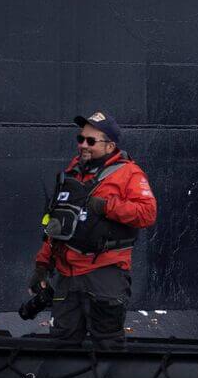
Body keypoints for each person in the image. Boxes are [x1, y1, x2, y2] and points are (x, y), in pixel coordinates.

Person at [29, 112, 158, 347]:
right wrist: (42, 265)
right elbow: (57, 225)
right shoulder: (70, 175)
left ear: (110, 145)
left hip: (105, 273)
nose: (83, 146)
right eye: (81, 139)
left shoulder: (129, 174)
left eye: (90, 141)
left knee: (107, 343)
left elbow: (147, 214)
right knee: (61, 343)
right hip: (68, 277)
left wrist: (107, 207)